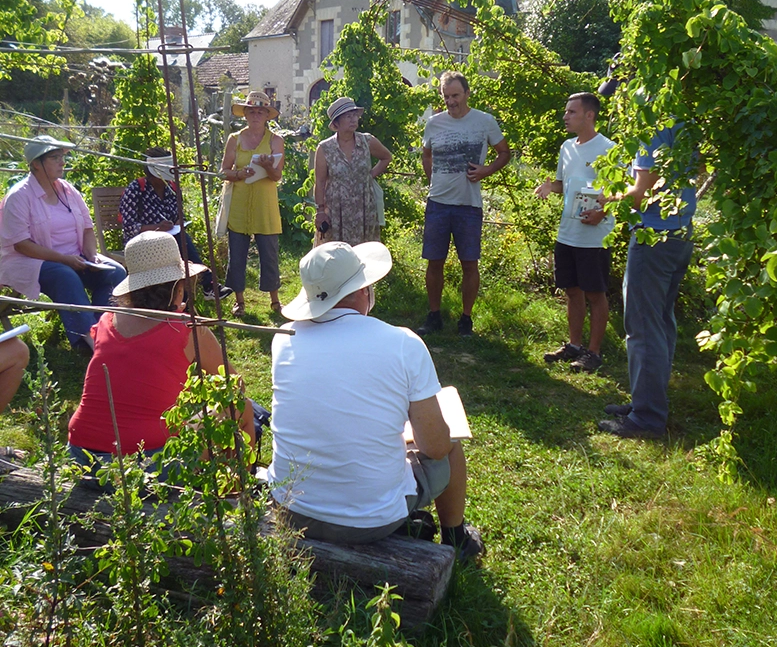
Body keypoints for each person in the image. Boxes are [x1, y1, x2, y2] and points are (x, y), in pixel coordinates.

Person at [268, 240, 483, 559]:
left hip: (292, 508)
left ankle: (415, 522)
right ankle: (456, 538)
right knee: (449, 441)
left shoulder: (284, 338)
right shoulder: (403, 343)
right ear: (362, 289)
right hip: (371, 519)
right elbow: (435, 447)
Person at [68, 231, 255, 473]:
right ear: (178, 288)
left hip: (80, 456)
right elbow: (234, 385)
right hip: (144, 465)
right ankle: (240, 491)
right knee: (240, 406)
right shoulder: (188, 328)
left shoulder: (106, 320)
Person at [598, 122, 696, 439]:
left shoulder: (654, 127)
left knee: (643, 327)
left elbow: (640, 195)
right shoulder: (684, 122)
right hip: (680, 233)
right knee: (661, 322)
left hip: (654, 239)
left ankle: (648, 417)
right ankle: (648, 402)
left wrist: (606, 198)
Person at [0, 135, 126, 352]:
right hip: (31, 261)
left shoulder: (68, 190)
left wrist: (92, 255)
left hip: (75, 256)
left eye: (62, 156)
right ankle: (92, 342)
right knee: (64, 275)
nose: (62, 162)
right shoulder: (19, 196)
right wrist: (64, 259)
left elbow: (87, 227)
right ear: (36, 165)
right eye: (55, 157)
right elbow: (21, 244)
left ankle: (102, 331)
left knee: (115, 272)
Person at [417, 71, 511, 338]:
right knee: (434, 262)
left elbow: (504, 152)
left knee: (470, 263)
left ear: (467, 94)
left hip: (468, 205)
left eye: (455, 95)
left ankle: (466, 320)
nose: (451, 101)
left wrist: (486, 170)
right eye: (446, 96)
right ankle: (434, 315)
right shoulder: (434, 123)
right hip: (438, 202)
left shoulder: (484, 121)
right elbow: (426, 152)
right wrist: (432, 178)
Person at [535, 93, 615, 372]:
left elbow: (620, 190)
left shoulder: (609, 149)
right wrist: (548, 187)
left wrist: (601, 214)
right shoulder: (567, 147)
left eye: (571, 112)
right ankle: (574, 346)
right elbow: (562, 183)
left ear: (589, 115)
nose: (565, 116)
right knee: (572, 290)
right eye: (566, 111)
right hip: (567, 232)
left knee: (595, 293)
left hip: (595, 235)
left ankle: (594, 353)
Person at [118, 146, 233, 301]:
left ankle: (197, 290)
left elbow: (179, 215)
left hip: (170, 239)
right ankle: (207, 285)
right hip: (142, 242)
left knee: (180, 237)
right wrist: (156, 228)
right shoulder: (137, 189)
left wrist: (178, 222)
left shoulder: (172, 188)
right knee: (179, 240)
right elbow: (129, 227)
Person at [220, 91, 284, 318]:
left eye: (261, 111)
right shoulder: (234, 139)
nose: (256, 115)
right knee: (237, 254)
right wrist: (238, 173)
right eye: (252, 111)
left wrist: (267, 167)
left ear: (267, 115)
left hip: (265, 205)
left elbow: (276, 176)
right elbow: (223, 171)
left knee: (269, 252)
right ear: (245, 114)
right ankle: (239, 301)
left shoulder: (276, 140)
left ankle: (275, 301)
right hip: (239, 203)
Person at [314, 97, 392, 246]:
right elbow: (320, 181)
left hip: (363, 208)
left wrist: (369, 176)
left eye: (355, 115)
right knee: (336, 253)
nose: (353, 119)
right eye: (348, 116)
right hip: (336, 211)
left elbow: (386, 157)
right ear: (336, 122)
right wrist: (320, 210)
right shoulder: (325, 148)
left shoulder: (367, 141)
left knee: (365, 253)